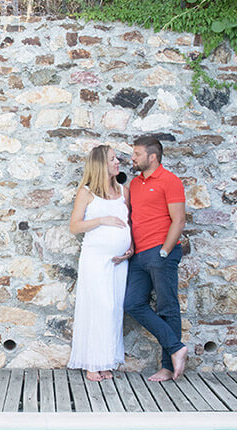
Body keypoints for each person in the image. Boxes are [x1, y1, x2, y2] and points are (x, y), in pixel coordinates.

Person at [123, 135, 187, 381]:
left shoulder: (170, 181)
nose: (132, 158)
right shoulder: (136, 184)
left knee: (167, 308)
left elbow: (179, 220)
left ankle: (168, 368)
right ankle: (176, 347)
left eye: (137, 154)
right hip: (139, 255)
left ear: (152, 157)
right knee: (132, 304)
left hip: (160, 252)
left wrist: (165, 251)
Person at [67, 145, 133, 381]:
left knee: (114, 309)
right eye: (113, 159)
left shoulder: (123, 192)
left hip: (118, 261)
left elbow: (130, 224)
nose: (118, 163)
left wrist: (131, 248)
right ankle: (92, 363)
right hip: (95, 259)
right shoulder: (87, 193)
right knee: (99, 307)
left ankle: (106, 362)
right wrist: (101, 219)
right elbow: (75, 226)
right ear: (100, 165)